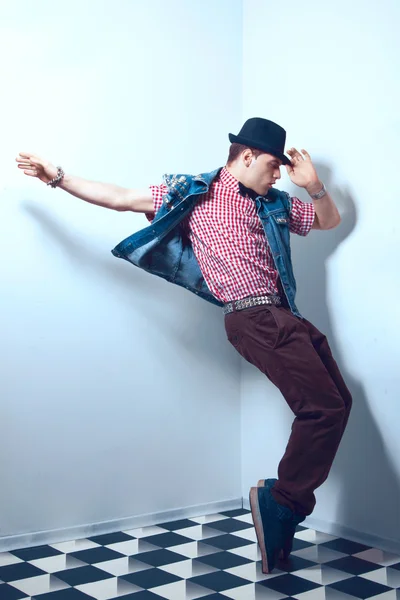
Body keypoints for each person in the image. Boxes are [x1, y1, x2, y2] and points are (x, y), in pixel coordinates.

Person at [16, 117, 352, 574]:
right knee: (322, 408)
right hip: (252, 317)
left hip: (283, 314)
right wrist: (56, 176)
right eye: (274, 165)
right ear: (247, 156)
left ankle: (282, 500)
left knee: (339, 402)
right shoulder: (196, 192)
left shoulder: (274, 203)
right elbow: (120, 198)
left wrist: (312, 186)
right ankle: (284, 501)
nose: (279, 176)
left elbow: (329, 220)